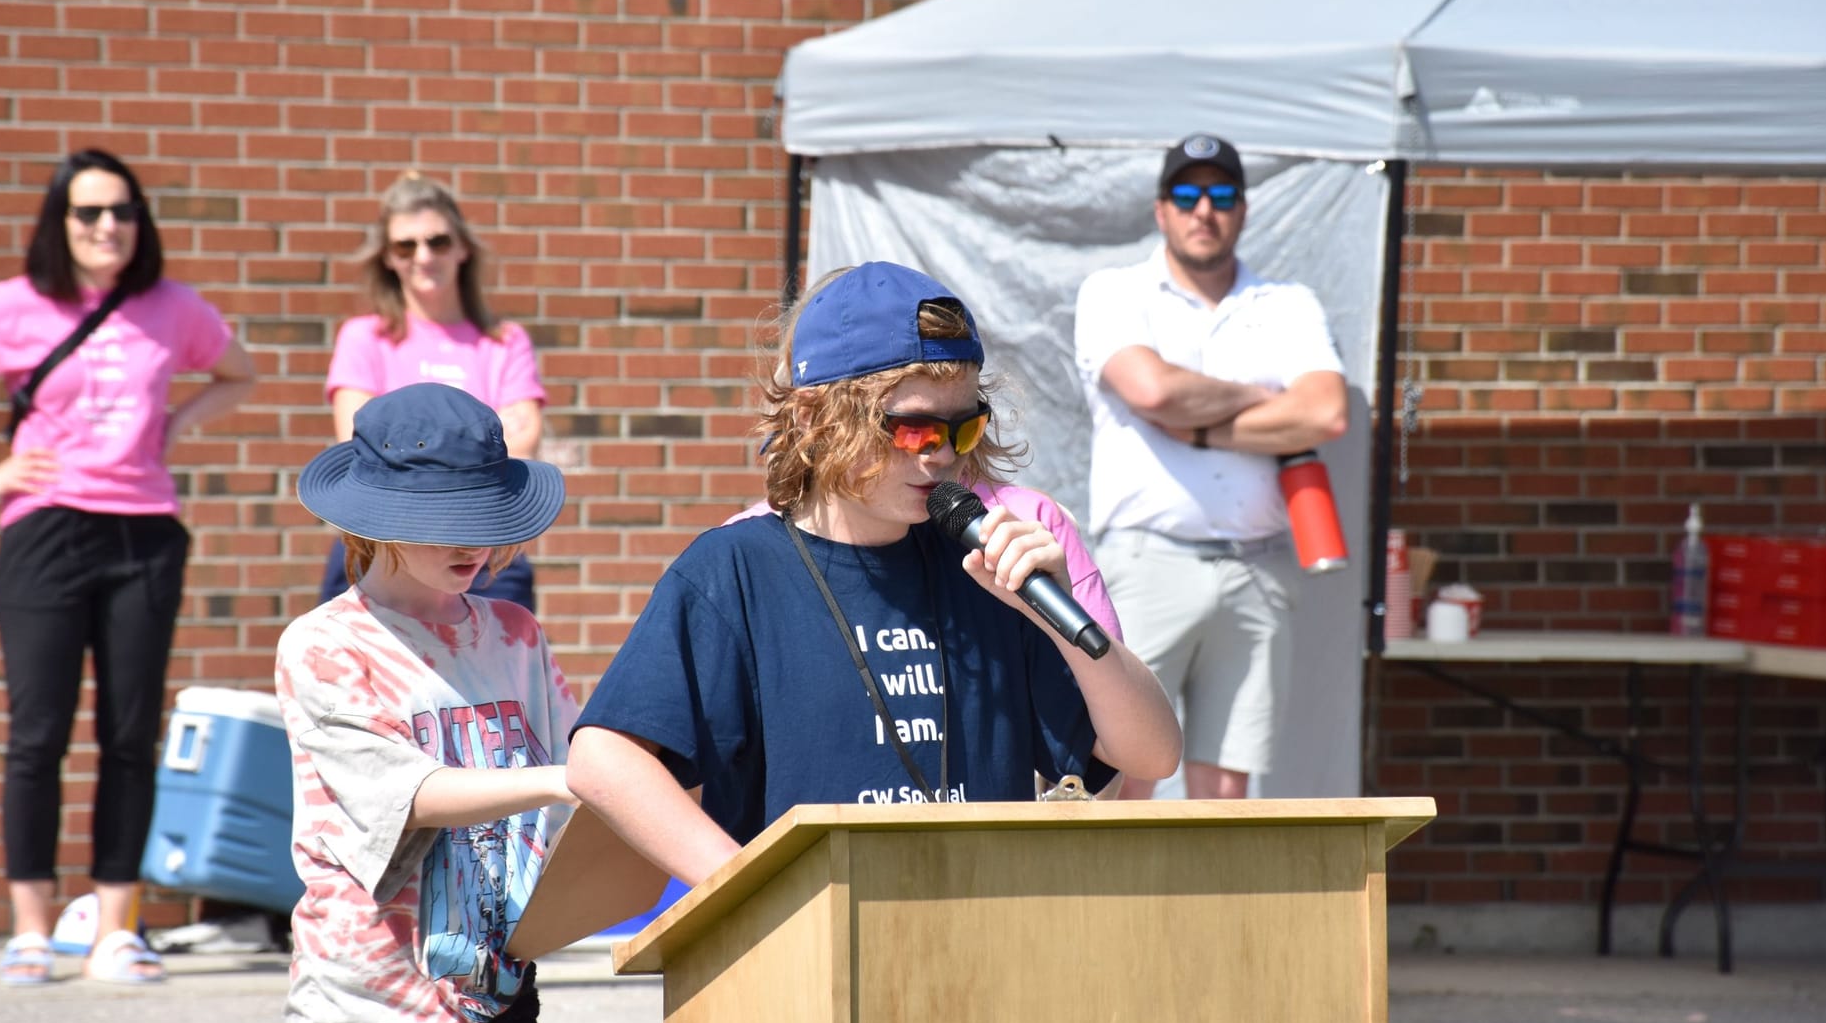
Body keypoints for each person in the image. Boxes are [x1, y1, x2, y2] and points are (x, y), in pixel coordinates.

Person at [566, 262, 1181, 887]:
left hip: (976, 921)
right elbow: (602, 759)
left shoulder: (986, 570)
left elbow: (1150, 754)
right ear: (815, 418)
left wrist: (1056, 617)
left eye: (964, 426)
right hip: (810, 937)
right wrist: (751, 890)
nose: (944, 453)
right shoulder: (736, 570)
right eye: (914, 429)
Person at [0, 148, 256, 986]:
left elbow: (237, 372)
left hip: (144, 536)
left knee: (129, 736)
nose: (109, 226)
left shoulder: (171, 306)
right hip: (45, 533)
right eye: (89, 212)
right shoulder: (14, 306)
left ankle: (114, 929)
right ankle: (31, 929)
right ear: (60, 222)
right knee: (37, 735)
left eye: (123, 211)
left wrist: (173, 426)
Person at [273, 382, 577, 1023]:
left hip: (493, 993)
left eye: (485, 518)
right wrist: (568, 779)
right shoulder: (324, 644)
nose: (472, 543)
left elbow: (583, 763)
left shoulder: (516, 633)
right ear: (379, 524)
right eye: (445, 523)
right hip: (363, 1010)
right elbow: (411, 795)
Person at [1075, 132, 1348, 801]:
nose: (1205, 209)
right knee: (1126, 772)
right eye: (1188, 194)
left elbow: (1326, 412)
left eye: (1222, 194)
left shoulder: (1287, 303)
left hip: (1256, 565)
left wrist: (1195, 428)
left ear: (1243, 209)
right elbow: (1151, 391)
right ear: (1161, 209)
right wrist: (1265, 397)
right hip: (1147, 561)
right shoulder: (1115, 291)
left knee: (1226, 788)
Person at [317, 172, 545, 611]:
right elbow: (358, 448)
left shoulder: (504, 341)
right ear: (388, 257)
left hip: (484, 555)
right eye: (406, 246)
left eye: (438, 242)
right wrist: (474, 451)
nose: (423, 257)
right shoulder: (364, 338)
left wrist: (411, 454)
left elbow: (524, 443)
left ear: (462, 248)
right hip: (383, 553)